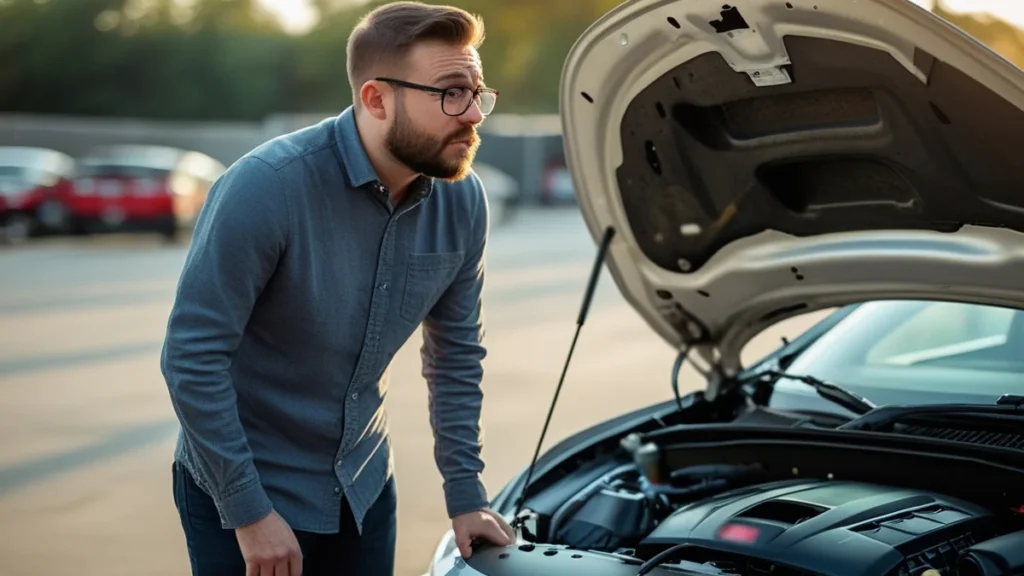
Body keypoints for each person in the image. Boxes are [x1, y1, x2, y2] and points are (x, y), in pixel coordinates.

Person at [159, 2, 515, 574]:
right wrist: (249, 513)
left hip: (364, 489)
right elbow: (191, 358)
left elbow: (456, 357)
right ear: (376, 99)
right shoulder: (265, 187)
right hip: (247, 492)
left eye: (478, 92)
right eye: (451, 93)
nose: (473, 114)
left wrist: (466, 493)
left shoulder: (463, 200)